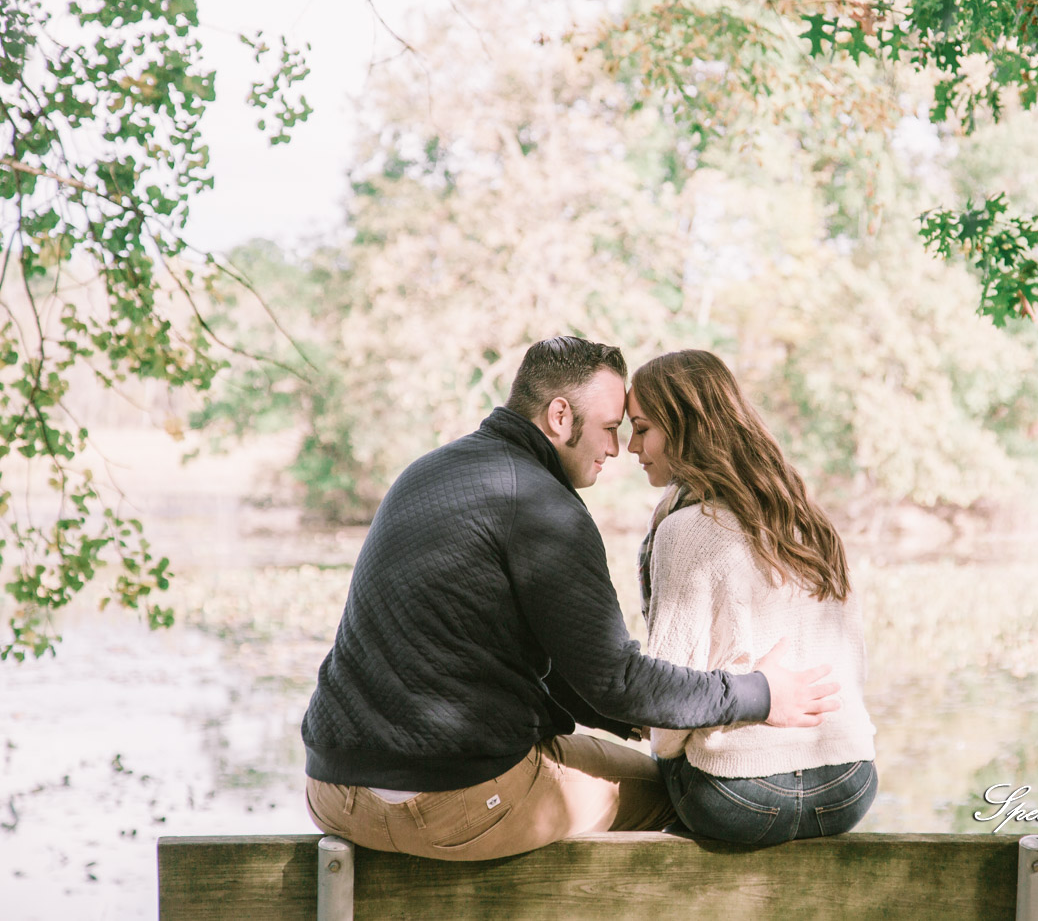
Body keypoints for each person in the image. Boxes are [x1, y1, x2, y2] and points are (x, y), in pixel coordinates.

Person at [300, 336, 840, 861]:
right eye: (609, 429)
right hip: (452, 803)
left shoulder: (430, 472)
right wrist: (760, 695)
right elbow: (616, 679)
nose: (615, 449)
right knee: (683, 798)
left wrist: (650, 717)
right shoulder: (544, 508)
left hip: (332, 790)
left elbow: (575, 673)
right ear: (560, 416)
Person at [626, 349, 877, 845]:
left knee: (652, 772)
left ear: (685, 427)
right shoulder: (807, 518)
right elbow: (855, 666)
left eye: (642, 428)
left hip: (743, 798)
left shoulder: (685, 530)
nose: (631, 446)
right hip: (850, 783)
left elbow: (667, 713)